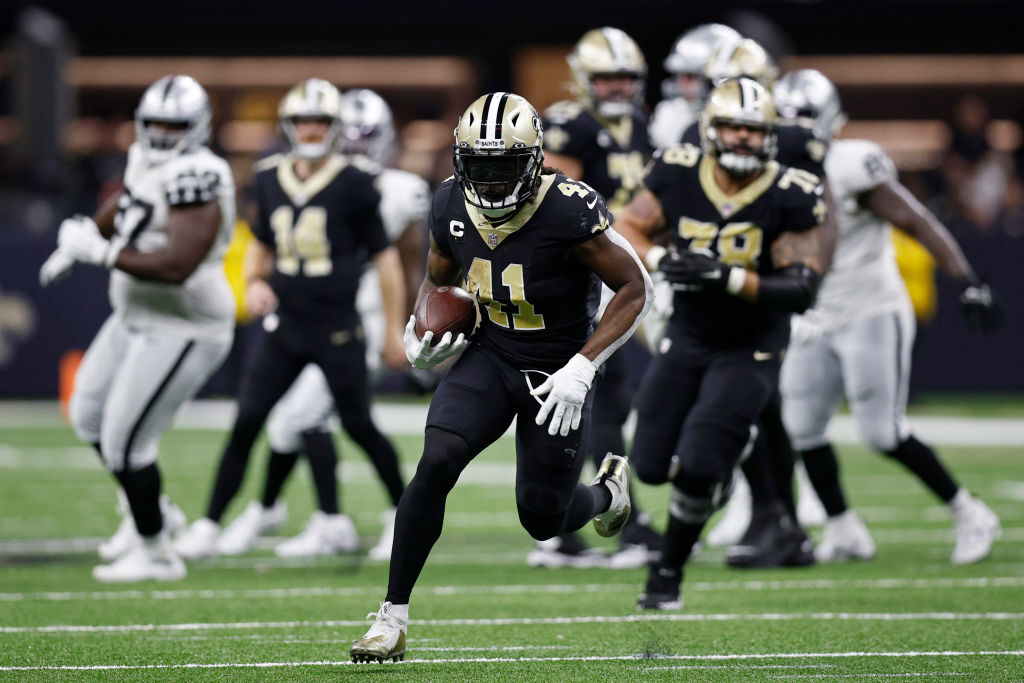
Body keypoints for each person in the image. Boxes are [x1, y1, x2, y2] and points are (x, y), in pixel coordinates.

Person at [349, 92, 652, 663]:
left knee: (542, 518)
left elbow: (636, 288)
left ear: (534, 160)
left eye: (504, 166)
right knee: (437, 460)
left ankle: (606, 493)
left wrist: (583, 366)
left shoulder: (569, 208)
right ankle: (391, 618)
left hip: (557, 368)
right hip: (490, 354)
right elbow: (438, 277)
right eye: (479, 166)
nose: (489, 182)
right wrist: (422, 328)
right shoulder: (448, 201)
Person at [615, 77, 828, 610]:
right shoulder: (679, 170)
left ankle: (667, 573)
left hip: (751, 344)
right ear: (711, 129)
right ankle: (727, 464)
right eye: (732, 127)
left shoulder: (791, 191)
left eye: (752, 130)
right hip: (688, 334)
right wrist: (665, 260)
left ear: (770, 135)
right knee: (649, 465)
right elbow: (626, 228)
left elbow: (801, 285)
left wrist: (725, 277)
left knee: (698, 469)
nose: (741, 138)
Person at [776, 70, 1004, 565]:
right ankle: (844, 530)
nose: (795, 128)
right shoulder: (765, 171)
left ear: (828, 120)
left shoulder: (851, 164)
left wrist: (966, 279)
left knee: (881, 431)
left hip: (869, 308)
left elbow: (917, 221)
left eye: (804, 118)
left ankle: (969, 512)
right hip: (813, 313)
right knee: (801, 427)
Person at [173, 78, 407, 559]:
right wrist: (255, 282)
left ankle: (404, 514)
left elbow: (385, 259)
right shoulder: (267, 177)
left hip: (337, 325)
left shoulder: (356, 182)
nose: (312, 129)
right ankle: (209, 524)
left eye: (321, 121)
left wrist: (392, 330)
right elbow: (260, 245)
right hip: (286, 326)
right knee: (247, 421)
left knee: (358, 425)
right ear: (288, 125)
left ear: (334, 127)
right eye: (304, 121)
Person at [38, 75, 236, 582]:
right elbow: (130, 203)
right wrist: (88, 232)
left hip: (184, 322)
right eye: (155, 124)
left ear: (198, 128)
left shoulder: (200, 173)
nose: (163, 134)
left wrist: (100, 252)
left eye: (175, 126)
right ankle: (149, 509)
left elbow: (179, 264)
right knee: (87, 416)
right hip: (135, 315)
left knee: (127, 444)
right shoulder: (144, 158)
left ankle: (157, 553)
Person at [531, 26, 662, 570]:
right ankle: (612, 521)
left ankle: (566, 525)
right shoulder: (570, 123)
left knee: (613, 397)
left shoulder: (641, 125)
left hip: (630, 267)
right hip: (591, 272)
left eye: (624, 77)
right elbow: (561, 204)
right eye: (606, 77)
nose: (616, 87)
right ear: (584, 79)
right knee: (601, 397)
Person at [649, 23, 742, 150]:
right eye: (679, 75)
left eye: (690, 76)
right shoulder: (670, 114)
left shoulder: (740, 122)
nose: (680, 83)